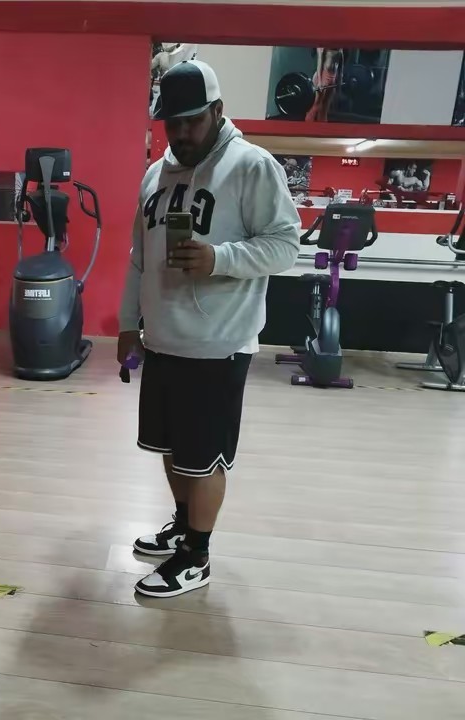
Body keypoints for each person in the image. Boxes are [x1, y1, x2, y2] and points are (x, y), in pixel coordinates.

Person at [118, 59, 301, 598]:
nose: (180, 133)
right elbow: (138, 257)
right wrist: (128, 324)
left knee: (203, 460)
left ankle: (196, 557)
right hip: (162, 340)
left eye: (191, 121)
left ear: (218, 111)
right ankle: (183, 526)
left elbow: (285, 245)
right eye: (170, 123)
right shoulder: (155, 174)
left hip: (219, 345)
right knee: (170, 450)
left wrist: (219, 258)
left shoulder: (252, 166)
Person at [305, 48, 343, 122]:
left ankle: (322, 125)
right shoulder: (321, 47)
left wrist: (339, 79)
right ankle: (308, 123)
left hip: (333, 77)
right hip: (323, 76)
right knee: (317, 104)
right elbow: (319, 64)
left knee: (326, 106)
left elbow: (341, 65)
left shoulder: (340, 47)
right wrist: (319, 81)